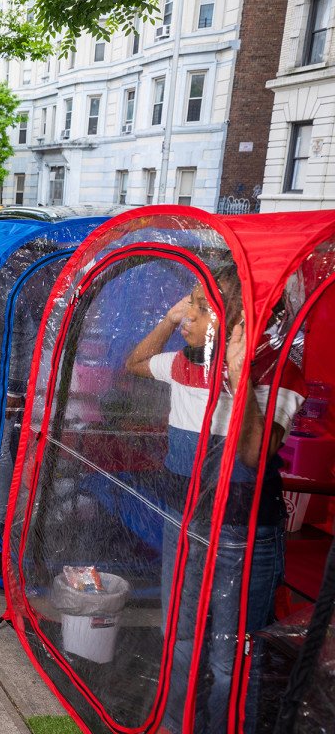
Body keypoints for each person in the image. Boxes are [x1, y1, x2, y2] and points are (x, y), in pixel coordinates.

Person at [124, 271, 304, 733]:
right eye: (190, 303)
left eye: (199, 309)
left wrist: (240, 379)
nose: (188, 315)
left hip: (241, 535)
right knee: (179, 637)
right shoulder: (188, 362)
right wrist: (169, 318)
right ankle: (173, 723)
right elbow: (136, 362)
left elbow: (253, 454)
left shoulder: (276, 373)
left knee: (231, 653)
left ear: (239, 323)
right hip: (184, 522)